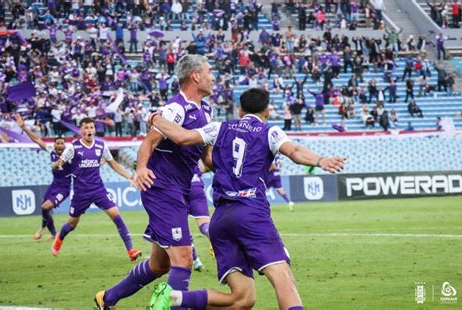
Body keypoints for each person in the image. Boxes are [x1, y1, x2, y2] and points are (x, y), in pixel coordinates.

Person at [148, 88, 346, 310]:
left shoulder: (220, 127)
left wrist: (156, 118)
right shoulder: (270, 132)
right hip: (251, 213)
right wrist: (320, 160)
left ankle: (173, 298)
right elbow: (295, 152)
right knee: (283, 279)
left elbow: (182, 137)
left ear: (240, 110)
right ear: (267, 111)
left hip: (221, 220)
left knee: (242, 299)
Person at [94, 55, 215, 309]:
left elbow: (207, 156)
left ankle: (108, 298)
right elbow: (149, 141)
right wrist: (140, 167)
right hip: (162, 189)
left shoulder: (206, 109)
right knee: (183, 259)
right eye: (209, 72)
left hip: (180, 190)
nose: (212, 77)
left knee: (160, 264)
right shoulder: (176, 109)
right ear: (195, 76)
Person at [52, 118, 141, 261]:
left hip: (98, 189)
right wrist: (58, 165)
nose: (89, 130)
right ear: (80, 130)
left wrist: (129, 176)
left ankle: (131, 250)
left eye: (91, 127)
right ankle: (59, 238)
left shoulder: (101, 145)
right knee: (72, 224)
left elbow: (113, 164)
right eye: (86, 128)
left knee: (117, 216)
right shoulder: (73, 147)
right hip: (81, 193)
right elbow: (60, 162)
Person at [15, 113, 72, 241]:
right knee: (44, 208)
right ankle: (53, 234)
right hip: (54, 185)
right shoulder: (52, 151)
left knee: (46, 207)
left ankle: (41, 229)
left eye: (62, 143)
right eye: (57, 143)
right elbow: (37, 139)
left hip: (64, 188)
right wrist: (24, 127)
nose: (59, 146)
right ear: (54, 145)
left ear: (65, 145)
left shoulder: (70, 155)